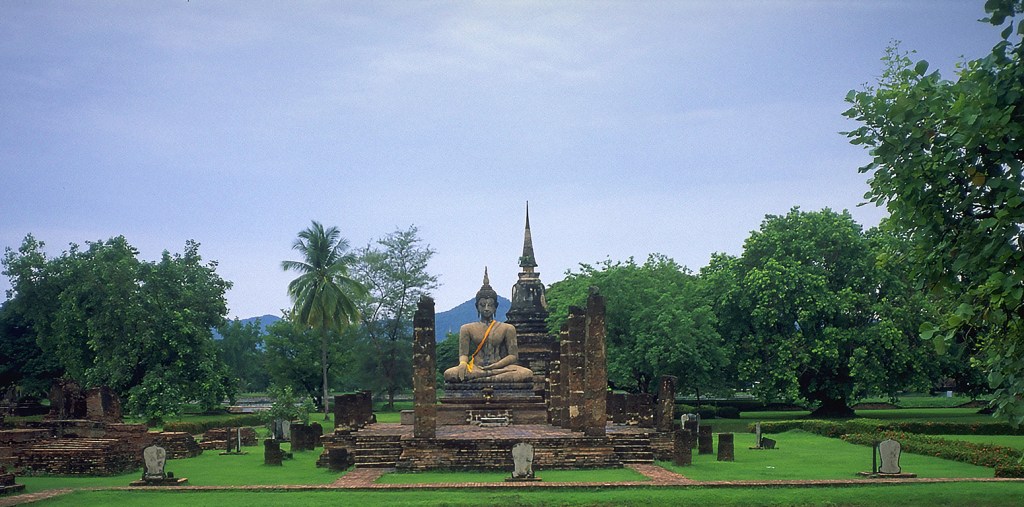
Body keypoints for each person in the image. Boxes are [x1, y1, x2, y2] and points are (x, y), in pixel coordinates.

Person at [443, 269, 533, 383]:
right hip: (476, 368)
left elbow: (513, 356)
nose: (486, 308)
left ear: (496, 307)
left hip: (501, 369)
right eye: (482, 305)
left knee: (526, 374)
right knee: (450, 374)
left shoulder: (507, 328)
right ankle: (486, 377)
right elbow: (463, 354)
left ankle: (484, 377)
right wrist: (462, 364)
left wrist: (496, 366)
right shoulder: (467, 328)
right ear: (477, 307)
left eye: (490, 305)